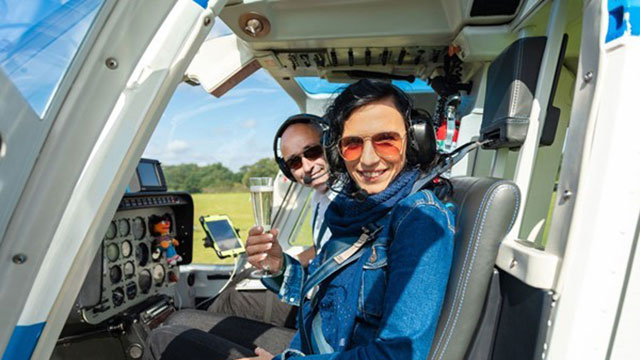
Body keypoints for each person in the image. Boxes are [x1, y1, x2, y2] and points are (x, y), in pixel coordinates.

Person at [145, 79, 454, 360]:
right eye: (353, 144)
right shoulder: (358, 211)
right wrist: (280, 268)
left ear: (414, 141)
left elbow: (398, 355)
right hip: (313, 345)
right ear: (339, 152)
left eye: (386, 140)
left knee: (164, 338)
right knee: (178, 322)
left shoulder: (419, 221)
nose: (369, 158)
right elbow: (330, 296)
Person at [206, 114, 335, 328]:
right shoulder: (318, 199)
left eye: (312, 152)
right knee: (240, 283)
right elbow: (333, 245)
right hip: (316, 304)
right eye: (295, 162)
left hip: (323, 318)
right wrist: (285, 264)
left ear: (329, 144)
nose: (307, 166)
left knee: (229, 302)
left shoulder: (350, 199)